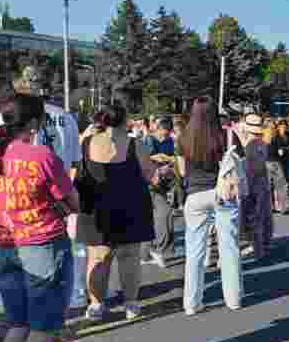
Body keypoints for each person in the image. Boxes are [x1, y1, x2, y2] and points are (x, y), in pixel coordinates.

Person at [0, 93, 79, 342]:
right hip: (42, 244)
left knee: (17, 323)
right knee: (42, 328)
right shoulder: (41, 155)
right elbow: (71, 201)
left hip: (4, 245)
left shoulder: (2, 153)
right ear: (33, 123)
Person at [8, 65, 84, 310]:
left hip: (19, 197)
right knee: (67, 253)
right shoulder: (67, 117)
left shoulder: (8, 117)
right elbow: (74, 162)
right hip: (59, 193)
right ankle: (73, 298)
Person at [79, 103, 160, 322]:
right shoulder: (134, 144)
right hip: (130, 207)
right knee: (129, 257)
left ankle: (96, 304)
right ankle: (131, 304)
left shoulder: (86, 142)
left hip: (95, 207)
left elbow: (76, 169)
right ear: (125, 121)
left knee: (97, 258)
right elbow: (150, 174)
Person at [177, 96, 243, 315]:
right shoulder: (227, 135)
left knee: (194, 251)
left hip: (195, 196)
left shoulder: (184, 137)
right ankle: (233, 299)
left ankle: (191, 303)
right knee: (229, 247)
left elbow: (183, 172)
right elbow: (238, 165)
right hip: (222, 193)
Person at [141, 116, 177, 267]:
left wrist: (170, 160)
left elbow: (173, 157)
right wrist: (160, 158)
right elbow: (145, 158)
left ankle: (146, 253)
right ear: (158, 129)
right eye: (164, 133)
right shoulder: (149, 140)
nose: (165, 136)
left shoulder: (169, 141)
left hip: (163, 182)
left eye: (168, 134)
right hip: (149, 181)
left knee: (154, 216)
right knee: (163, 213)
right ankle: (156, 249)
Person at [238, 114, 271, 261]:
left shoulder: (249, 145)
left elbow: (250, 167)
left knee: (252, 215)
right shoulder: (262, 143)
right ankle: (261, 245)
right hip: (261, 182)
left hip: (251, 183)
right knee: (261, 214)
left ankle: (257, 248)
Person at [266, 120, 289, 215]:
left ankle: (269, 207)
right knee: (281, 186)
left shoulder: (262, 136)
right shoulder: (277, 137)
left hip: (265, 163)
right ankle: (283, 207)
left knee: (268, 187)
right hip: (276, 163)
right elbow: (280, 152)